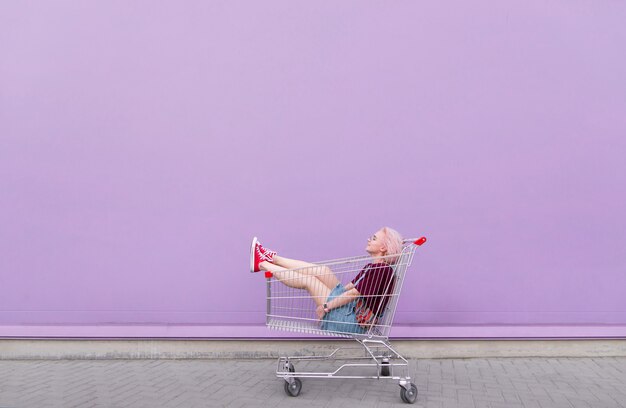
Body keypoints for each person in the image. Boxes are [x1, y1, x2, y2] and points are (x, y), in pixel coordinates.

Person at [250, 227, 404, 334]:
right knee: (322, 271)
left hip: (353, 321)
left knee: (310, 281)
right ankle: (271, 258)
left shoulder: (381, 270)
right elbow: (348, 289)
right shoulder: (373, 266)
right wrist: (331, 290)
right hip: (352, 310)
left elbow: (353, 294)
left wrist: (326, 305)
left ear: (383, 248)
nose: (369, 239)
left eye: (374, 238)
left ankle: (262, 264)